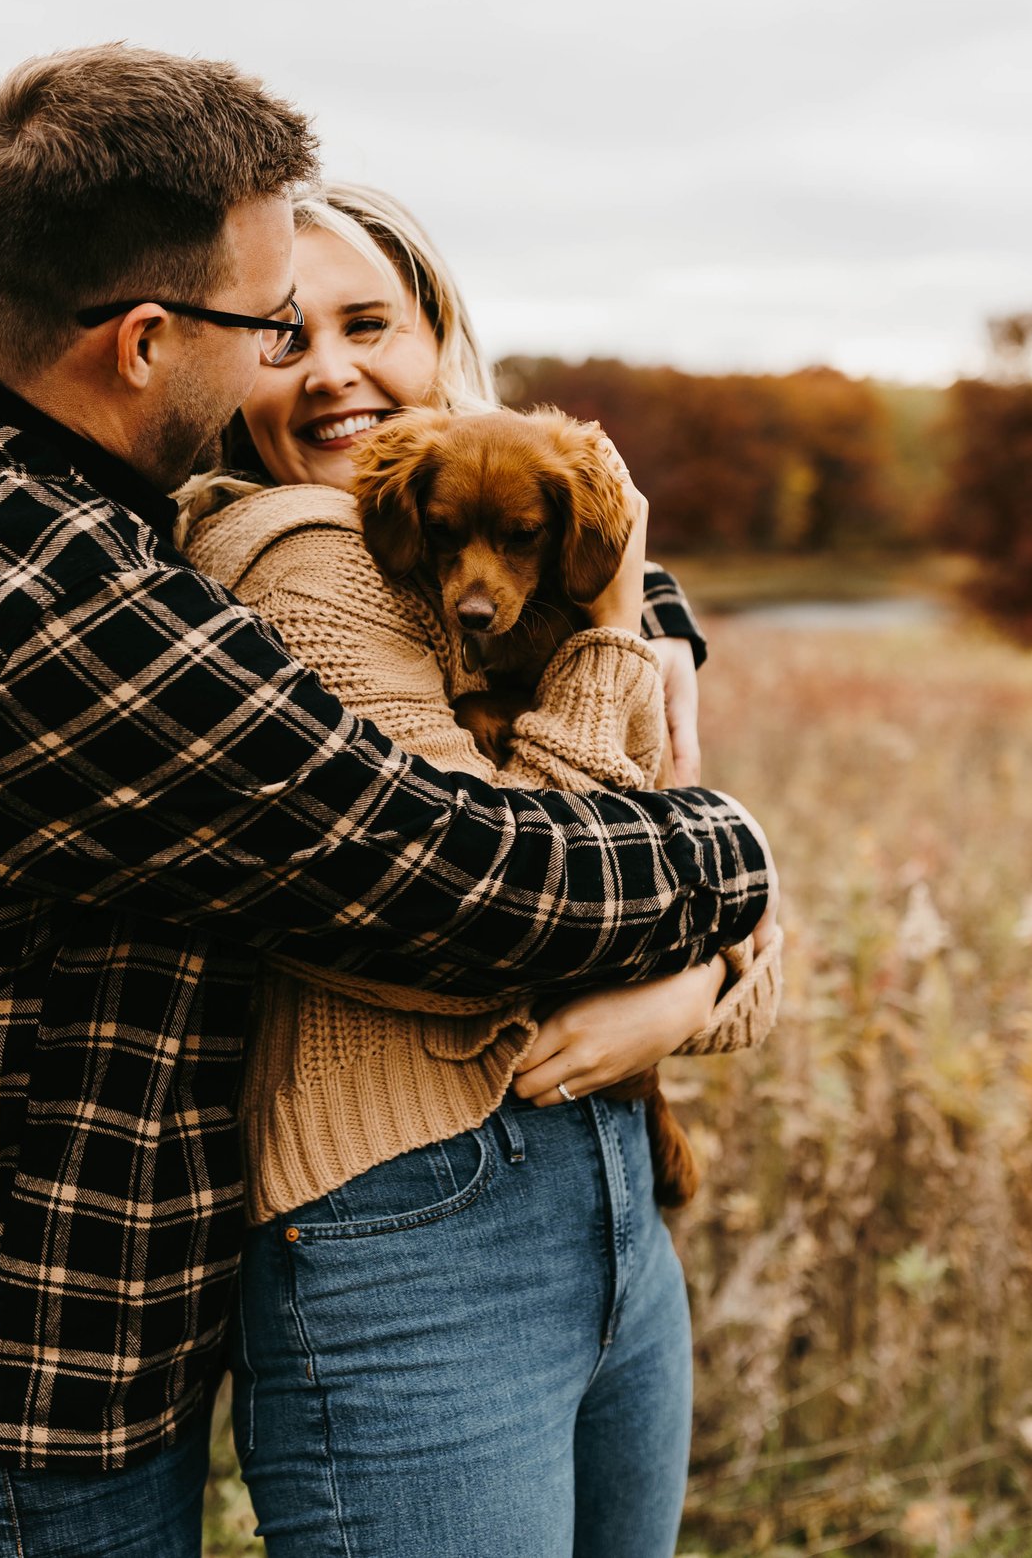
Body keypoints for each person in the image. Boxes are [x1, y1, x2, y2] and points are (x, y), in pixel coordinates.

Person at [0, 46, 775, 1558]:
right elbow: (459, 879)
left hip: (46, 1281)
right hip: (9, 1345)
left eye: (361, 319)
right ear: (146, 343)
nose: (304, 367)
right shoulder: (60, 610)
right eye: (265, 326)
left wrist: (628, 592)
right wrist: (737, 857)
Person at [178, 184, 782, 1558]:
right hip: (415, 1232)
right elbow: (517, 896)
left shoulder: (518, 548)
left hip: (603, 1189)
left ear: (440, 336)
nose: (333, 368)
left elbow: (707, 860)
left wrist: (689, 997)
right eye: (282, 334)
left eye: (369, 322)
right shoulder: (296, 556)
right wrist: (621, 628)